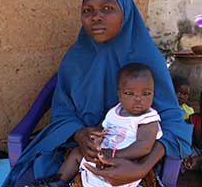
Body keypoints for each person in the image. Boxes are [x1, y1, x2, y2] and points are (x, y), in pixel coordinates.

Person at [3, 0, 192, 187]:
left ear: (125, 13)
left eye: (107, 8)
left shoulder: (146, 59)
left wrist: (142, 166)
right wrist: (79, 133)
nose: (96, 17)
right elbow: (62, 111)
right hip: (78, 151)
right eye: (87, 10)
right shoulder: (75, 58)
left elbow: (172, 122)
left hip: (132, 157)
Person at [32, 63, 163, 187]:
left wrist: (114, 155)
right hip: (102, 154)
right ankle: (59, 181)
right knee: (77, 153)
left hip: (124, 162)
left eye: (146, 93)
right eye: (129, 93)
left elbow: (143, 147)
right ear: (119, 95)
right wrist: (96, 138)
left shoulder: (148, 119)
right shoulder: (115, 112)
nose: (138, 99)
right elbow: (102, 128)